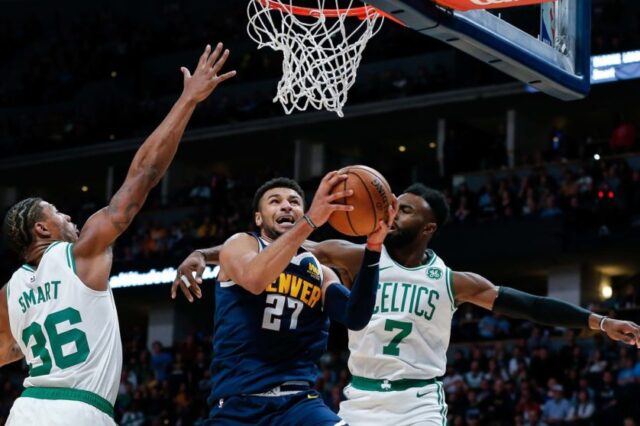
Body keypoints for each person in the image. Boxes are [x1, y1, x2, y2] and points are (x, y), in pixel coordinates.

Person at [174, 183, 640, 426]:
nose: (395, 214)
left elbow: (529, 305)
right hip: (359, 398)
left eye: (408, 211)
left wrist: (598, 321)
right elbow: (275, 248)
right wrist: (205, 254)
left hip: (417, 400)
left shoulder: (453, 281)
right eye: (394, 207)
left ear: (429, 228)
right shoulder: (350, 254)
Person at [0, 43, 235, 425]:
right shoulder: (80, 253)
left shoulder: (12, 290)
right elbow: (143, 175)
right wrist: (187, 102)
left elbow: (5, 351)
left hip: (26, 409)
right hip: (79, 412)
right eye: (57, 213)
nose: (68, 216)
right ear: (42, 229)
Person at [174, 174, 396, 425]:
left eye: (294, 201)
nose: (286, 205)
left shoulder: (320, 271)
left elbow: (355, 317)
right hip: (238, 404)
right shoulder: (242, 245)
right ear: (258, 217)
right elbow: (255, 279)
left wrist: (374, 247)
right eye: (275, 201)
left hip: (298, 403)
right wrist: (310, 221)